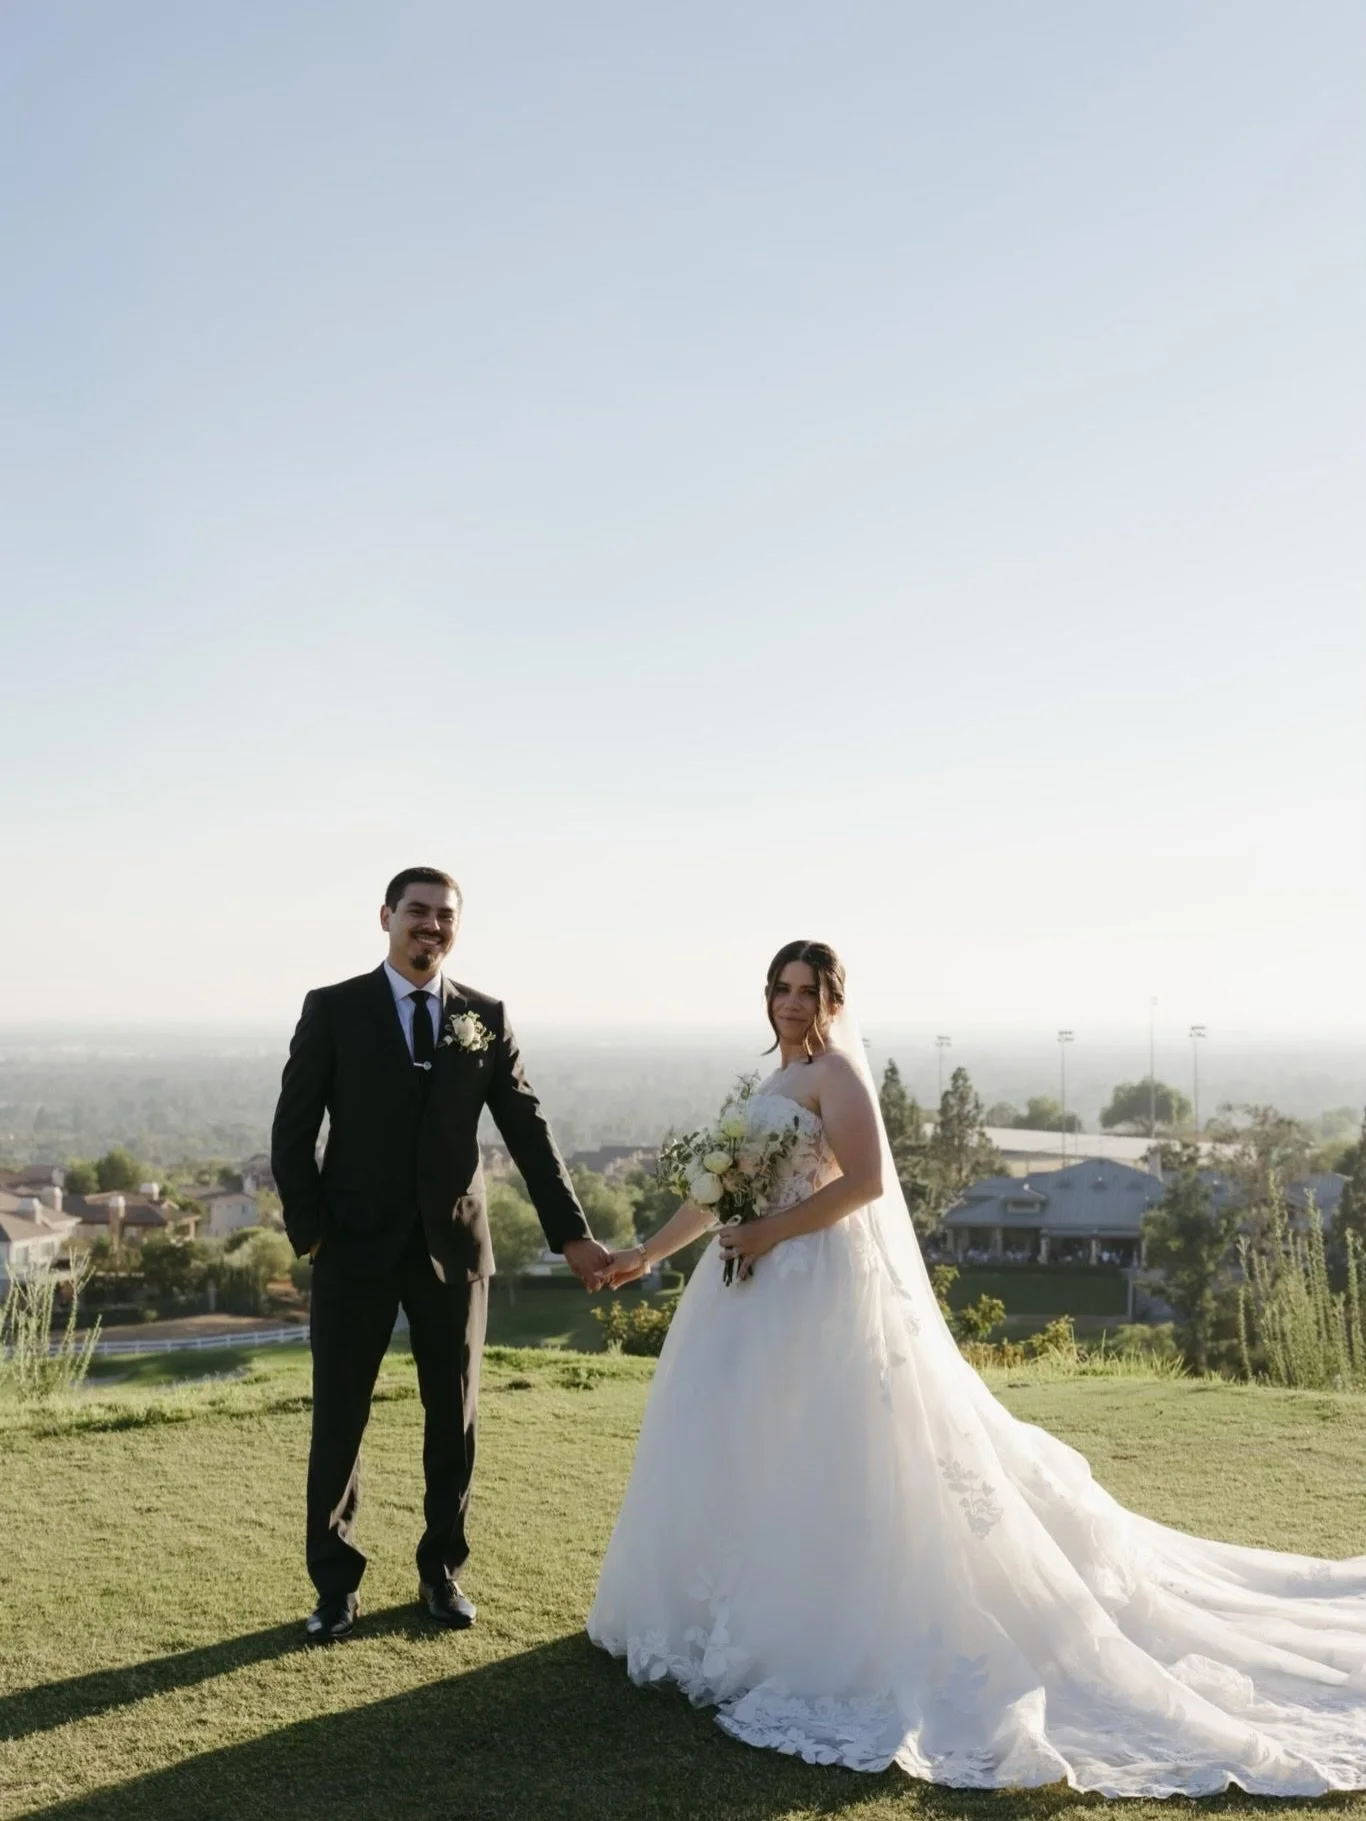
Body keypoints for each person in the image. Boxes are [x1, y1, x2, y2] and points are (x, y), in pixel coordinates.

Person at [587, 940, 1366, 1797]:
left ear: (835, 998)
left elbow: (868, 1184)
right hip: (747, 1289)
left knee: (830, 1452)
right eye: (783, 986)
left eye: (810, 989)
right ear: (766, 993)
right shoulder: (765, 1083)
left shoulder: (838, 1075)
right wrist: (645, 1252)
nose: (794, 1001)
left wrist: (771, 1232)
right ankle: (717, 1616)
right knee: (739, 1440)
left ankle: (810, 1625)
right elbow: (716, 1193)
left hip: (815, 1283)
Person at [271, 866, 613, 1643]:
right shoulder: (334, 1009)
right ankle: (334, 1585)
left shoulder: (483, 1016)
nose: (430, 925)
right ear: (387, 916)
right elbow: (291, 1133)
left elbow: (528, 1129)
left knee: (452, 1420)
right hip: (352, 1250)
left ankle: (440, 1571)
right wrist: (314, 1232)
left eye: (444, 915)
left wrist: (572, 1234)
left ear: (456, 926)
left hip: (456, 1253)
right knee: (340, 1419)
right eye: (417, 912)